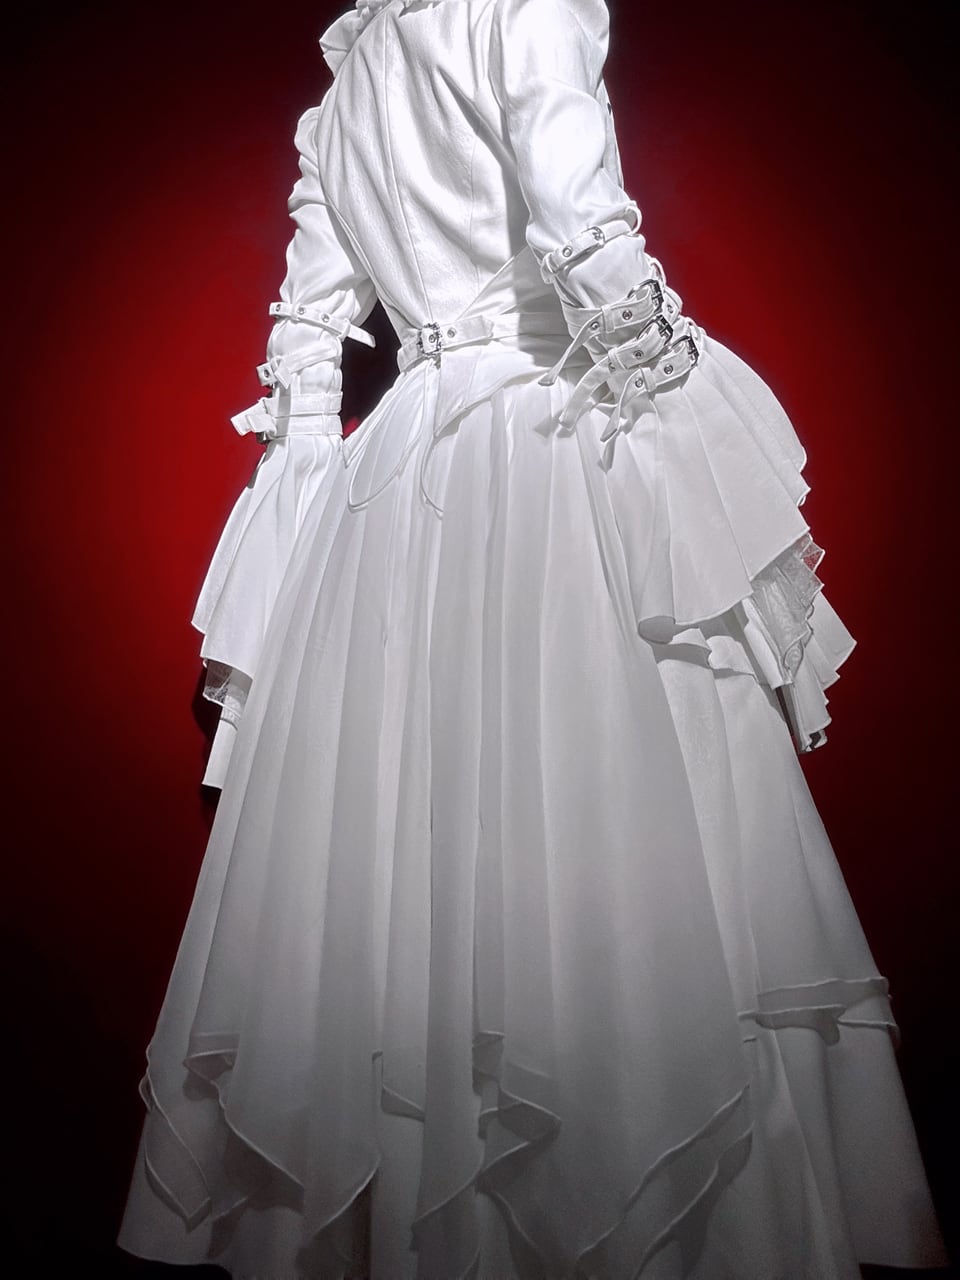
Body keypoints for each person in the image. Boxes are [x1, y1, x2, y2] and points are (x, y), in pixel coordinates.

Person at [118, 1, 946, 1276]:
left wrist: (297, 540)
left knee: (405, 860)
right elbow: (580, 227)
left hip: (389, 488)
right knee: (615, 830)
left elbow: (304, 351)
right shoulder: (523, 6)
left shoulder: (350, 80)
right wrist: (694, 426)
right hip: (548, 444)